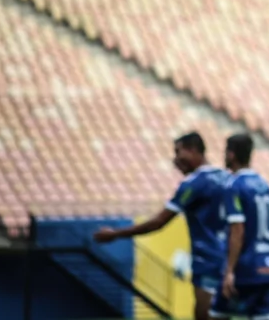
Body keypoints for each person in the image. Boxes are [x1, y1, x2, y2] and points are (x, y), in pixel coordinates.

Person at [93, 132, 228, 320]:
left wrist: (116, 234)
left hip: (208, 259)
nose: (175, 160)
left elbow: (159, 222)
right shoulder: (227, 177)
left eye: (178, 152)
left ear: (194, 150)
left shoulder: (193, 183)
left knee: (204, 316)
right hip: (231, 260)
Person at [209, 133, 269, 320]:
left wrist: (229, 271)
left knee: (217, 314)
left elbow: (237, 230)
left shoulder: (234, 185)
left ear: (231, 154)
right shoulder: (264, 184)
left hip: (246, 267)